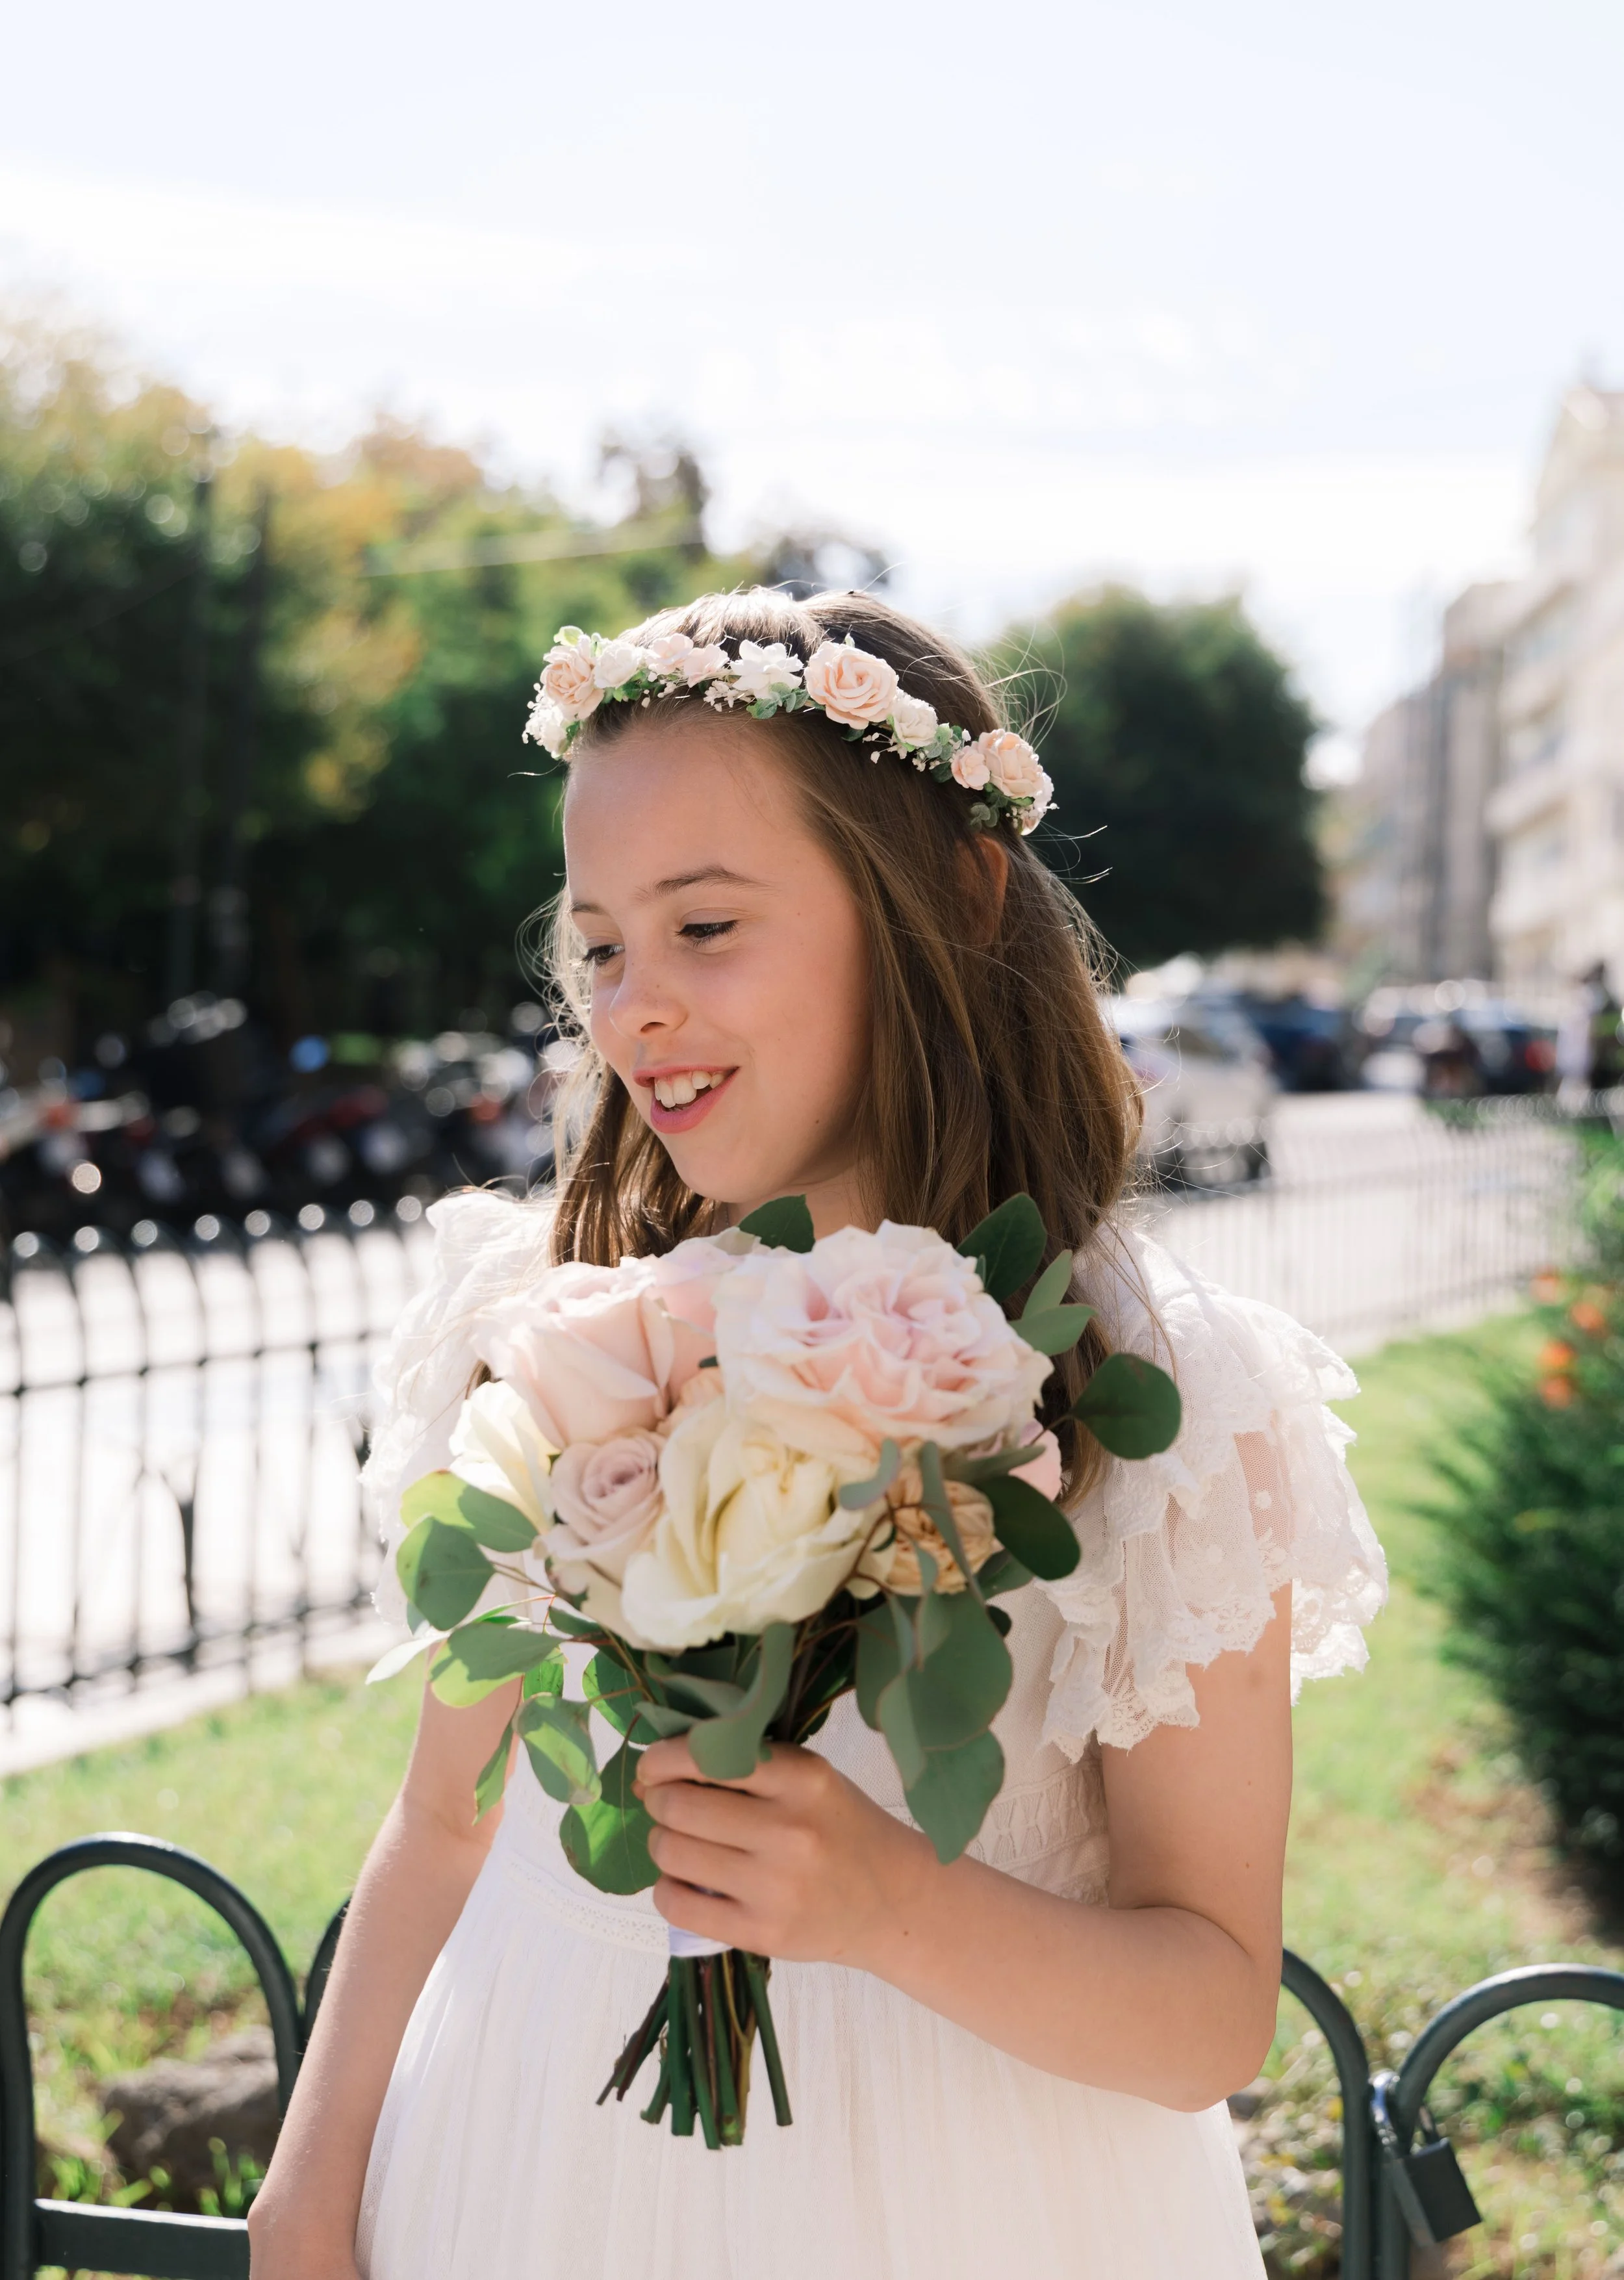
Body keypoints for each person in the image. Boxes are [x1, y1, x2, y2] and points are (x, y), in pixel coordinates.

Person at [247, 589, 1386, 2279]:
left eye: (705, 926)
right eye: (601, 942)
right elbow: (446, 1815)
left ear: (948, 893)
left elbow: (1211, 2009)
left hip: (971, 2205)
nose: (631, 1006)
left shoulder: (1157, 1405)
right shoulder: (566, 1336)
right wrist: (309, 2189)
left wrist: (889, 1902)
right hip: (527, 2174)